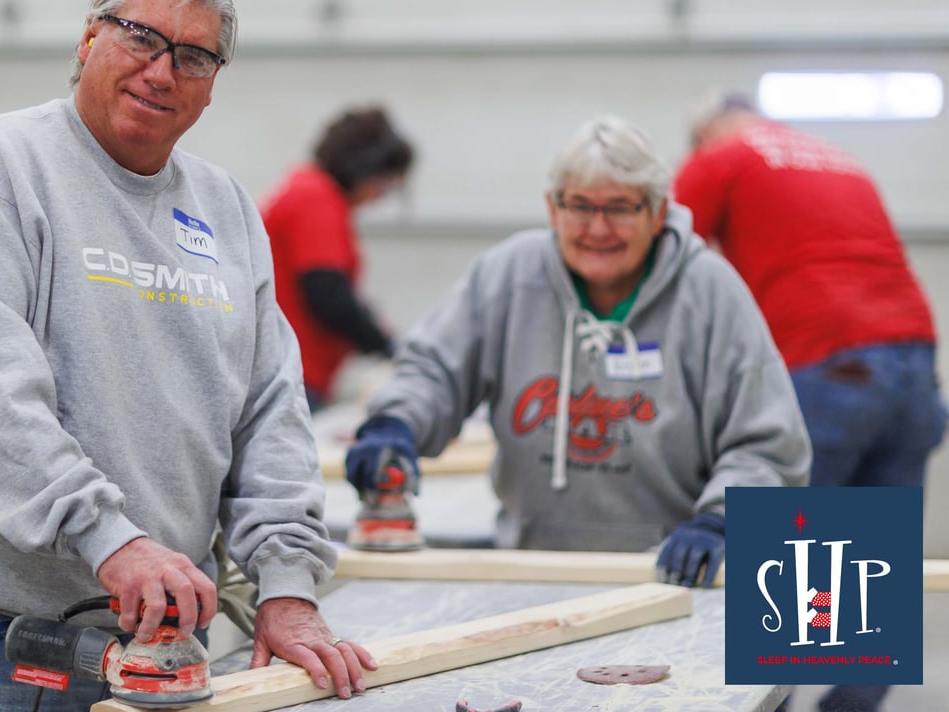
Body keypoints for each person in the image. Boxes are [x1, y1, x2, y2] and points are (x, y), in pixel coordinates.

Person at [0, 0, 374, 711]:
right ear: (87, 41)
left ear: (212, 84)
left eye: (193, 56)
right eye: (139, 37)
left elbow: (271, 413)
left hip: (161, 643)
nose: (162, 72)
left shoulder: (225, 210)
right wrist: (110, 538)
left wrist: (286, 583)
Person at [345, 115, 811, 587]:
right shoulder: (508, 277)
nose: (598, 228)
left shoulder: (710, 293)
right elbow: (434, 370)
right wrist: (394, 424)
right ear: (552, 208)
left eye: (621, 208)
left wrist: (724, 519)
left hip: (675, 575)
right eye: (580, 205)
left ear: (657, 212)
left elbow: (768, 443)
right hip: (530, 572)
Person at [673, 90, 946, 712]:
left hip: (829, 369)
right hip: (915, 367)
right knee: (874, 576)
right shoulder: (838, 159)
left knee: (786, 578)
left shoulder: (723, 155)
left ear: (706, 130)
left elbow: (657, 253)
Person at [259, 106, 414, 411]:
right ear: (366, 170)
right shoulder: (316, 198)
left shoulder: (307, 190)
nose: (378, 197)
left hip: (289, 370)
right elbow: (328, 294)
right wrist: (385, 345)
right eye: (383, 185)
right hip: (293, 373)